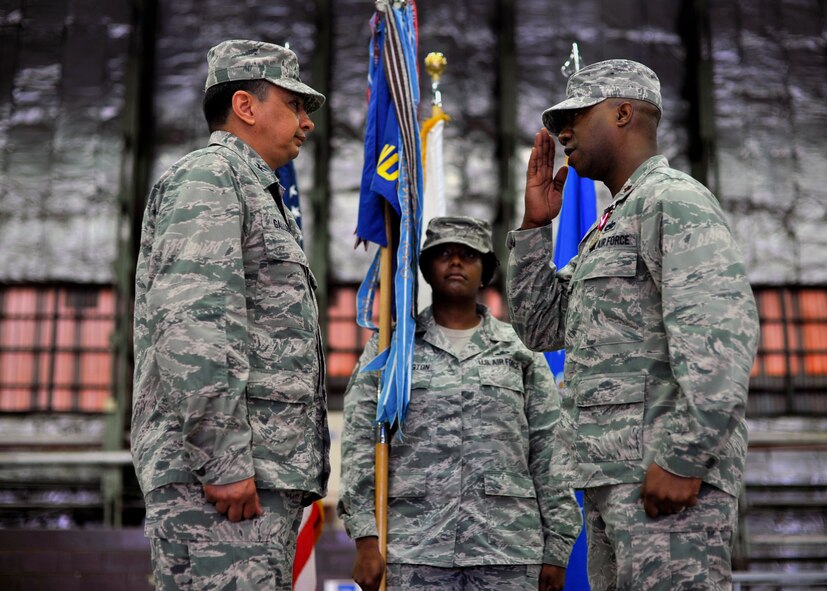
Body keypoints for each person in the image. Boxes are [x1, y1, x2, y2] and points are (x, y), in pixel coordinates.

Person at [506, 59, 760, 590]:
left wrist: (684, 459)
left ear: (623, 113)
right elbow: (540, 328)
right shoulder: (612, 223)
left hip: (663, 480)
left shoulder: (673, 200)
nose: (563, 132)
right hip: (611, 479)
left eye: (576, 115)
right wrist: (534, 228)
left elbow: (721, 339)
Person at [131, 40, 329, 590]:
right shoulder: (211, 178)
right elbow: (194, 324)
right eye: (295, 105)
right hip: (222, 480)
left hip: (252, 475)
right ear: (245, 106)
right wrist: (221, 460)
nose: (306, 122)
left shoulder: (250, 189)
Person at [338, 216, 582, 591]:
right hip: (413, 550)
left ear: (485, 271)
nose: (455, 262)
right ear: (426, 269)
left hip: (508, 552)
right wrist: (366, 537)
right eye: (444, 254)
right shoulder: (391, 350)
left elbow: (551, 452)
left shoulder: (521, 351)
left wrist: (557, 548)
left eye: (468, 255)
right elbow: (359, 445)